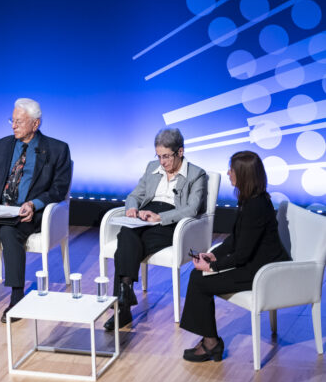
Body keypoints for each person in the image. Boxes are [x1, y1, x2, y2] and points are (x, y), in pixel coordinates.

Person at [0, 98, 72, 323]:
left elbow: (59, 189)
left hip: (27, 212)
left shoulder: (57, 149)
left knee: (9, 234)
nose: (13, 126)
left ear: (36, 124)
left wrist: (34, 204)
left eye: (19, 122)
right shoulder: (0, 146)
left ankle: (16, 298)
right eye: (12, 121)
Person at [180, 151, 290, 362]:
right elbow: (235, 239)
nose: (228, 173)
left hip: (262, 271)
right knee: (197, 277)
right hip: (253, 263)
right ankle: (210, 341)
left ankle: (211, 343)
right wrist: (212, 255)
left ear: (244, 174)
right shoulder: (250, 200)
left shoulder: (256, 206)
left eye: (232, 169)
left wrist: (212, 267)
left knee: (199, 281)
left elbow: (242, 255)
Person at [104, 128, 207, 331]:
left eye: (166, 156)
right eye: (159, 156)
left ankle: (122, 307)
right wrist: (132, 208)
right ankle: (125, 293)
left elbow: (192, 208)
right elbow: (135, 195)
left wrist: (162, 217)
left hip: (172, 221)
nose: (162, 162)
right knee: (127, 232)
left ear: (180, 152)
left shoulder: (196, 174)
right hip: (147, 215)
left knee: (126, 242)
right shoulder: (152, 168)